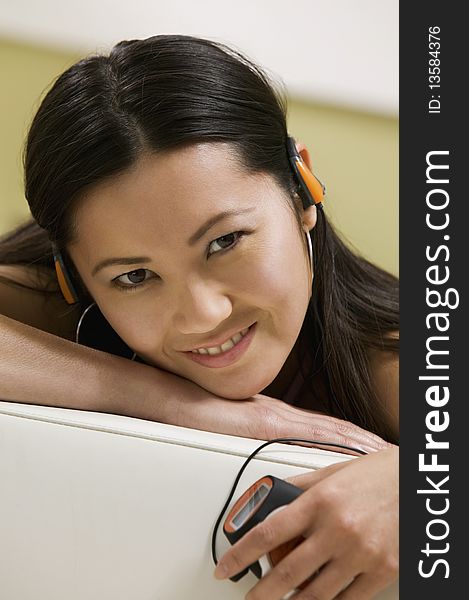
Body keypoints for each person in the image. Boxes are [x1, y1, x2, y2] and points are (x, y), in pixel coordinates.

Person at [0, 35, 398, 599]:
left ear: (302, 188)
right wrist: (157, 397)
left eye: (226, 241)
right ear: (75, 279)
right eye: (134, 277)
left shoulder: (391, 356)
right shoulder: (67, 309)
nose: (202, 315)